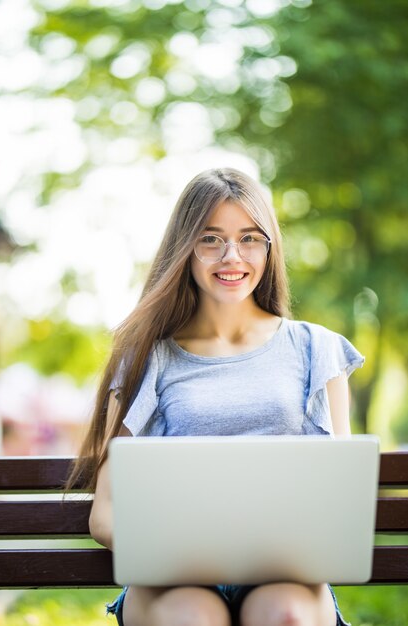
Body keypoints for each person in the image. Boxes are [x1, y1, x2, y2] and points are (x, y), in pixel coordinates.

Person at [69, 167, 364, 626]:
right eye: (211, 239)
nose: (232, 256)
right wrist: (176, 549)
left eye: (249, 238)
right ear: (185, 248)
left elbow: (340, 500)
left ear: (269, 248)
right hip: (174, 577)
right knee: (193, 618)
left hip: (286, 576)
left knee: (285, 614)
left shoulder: (317, 350)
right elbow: (104, 514)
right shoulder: (147, 358)